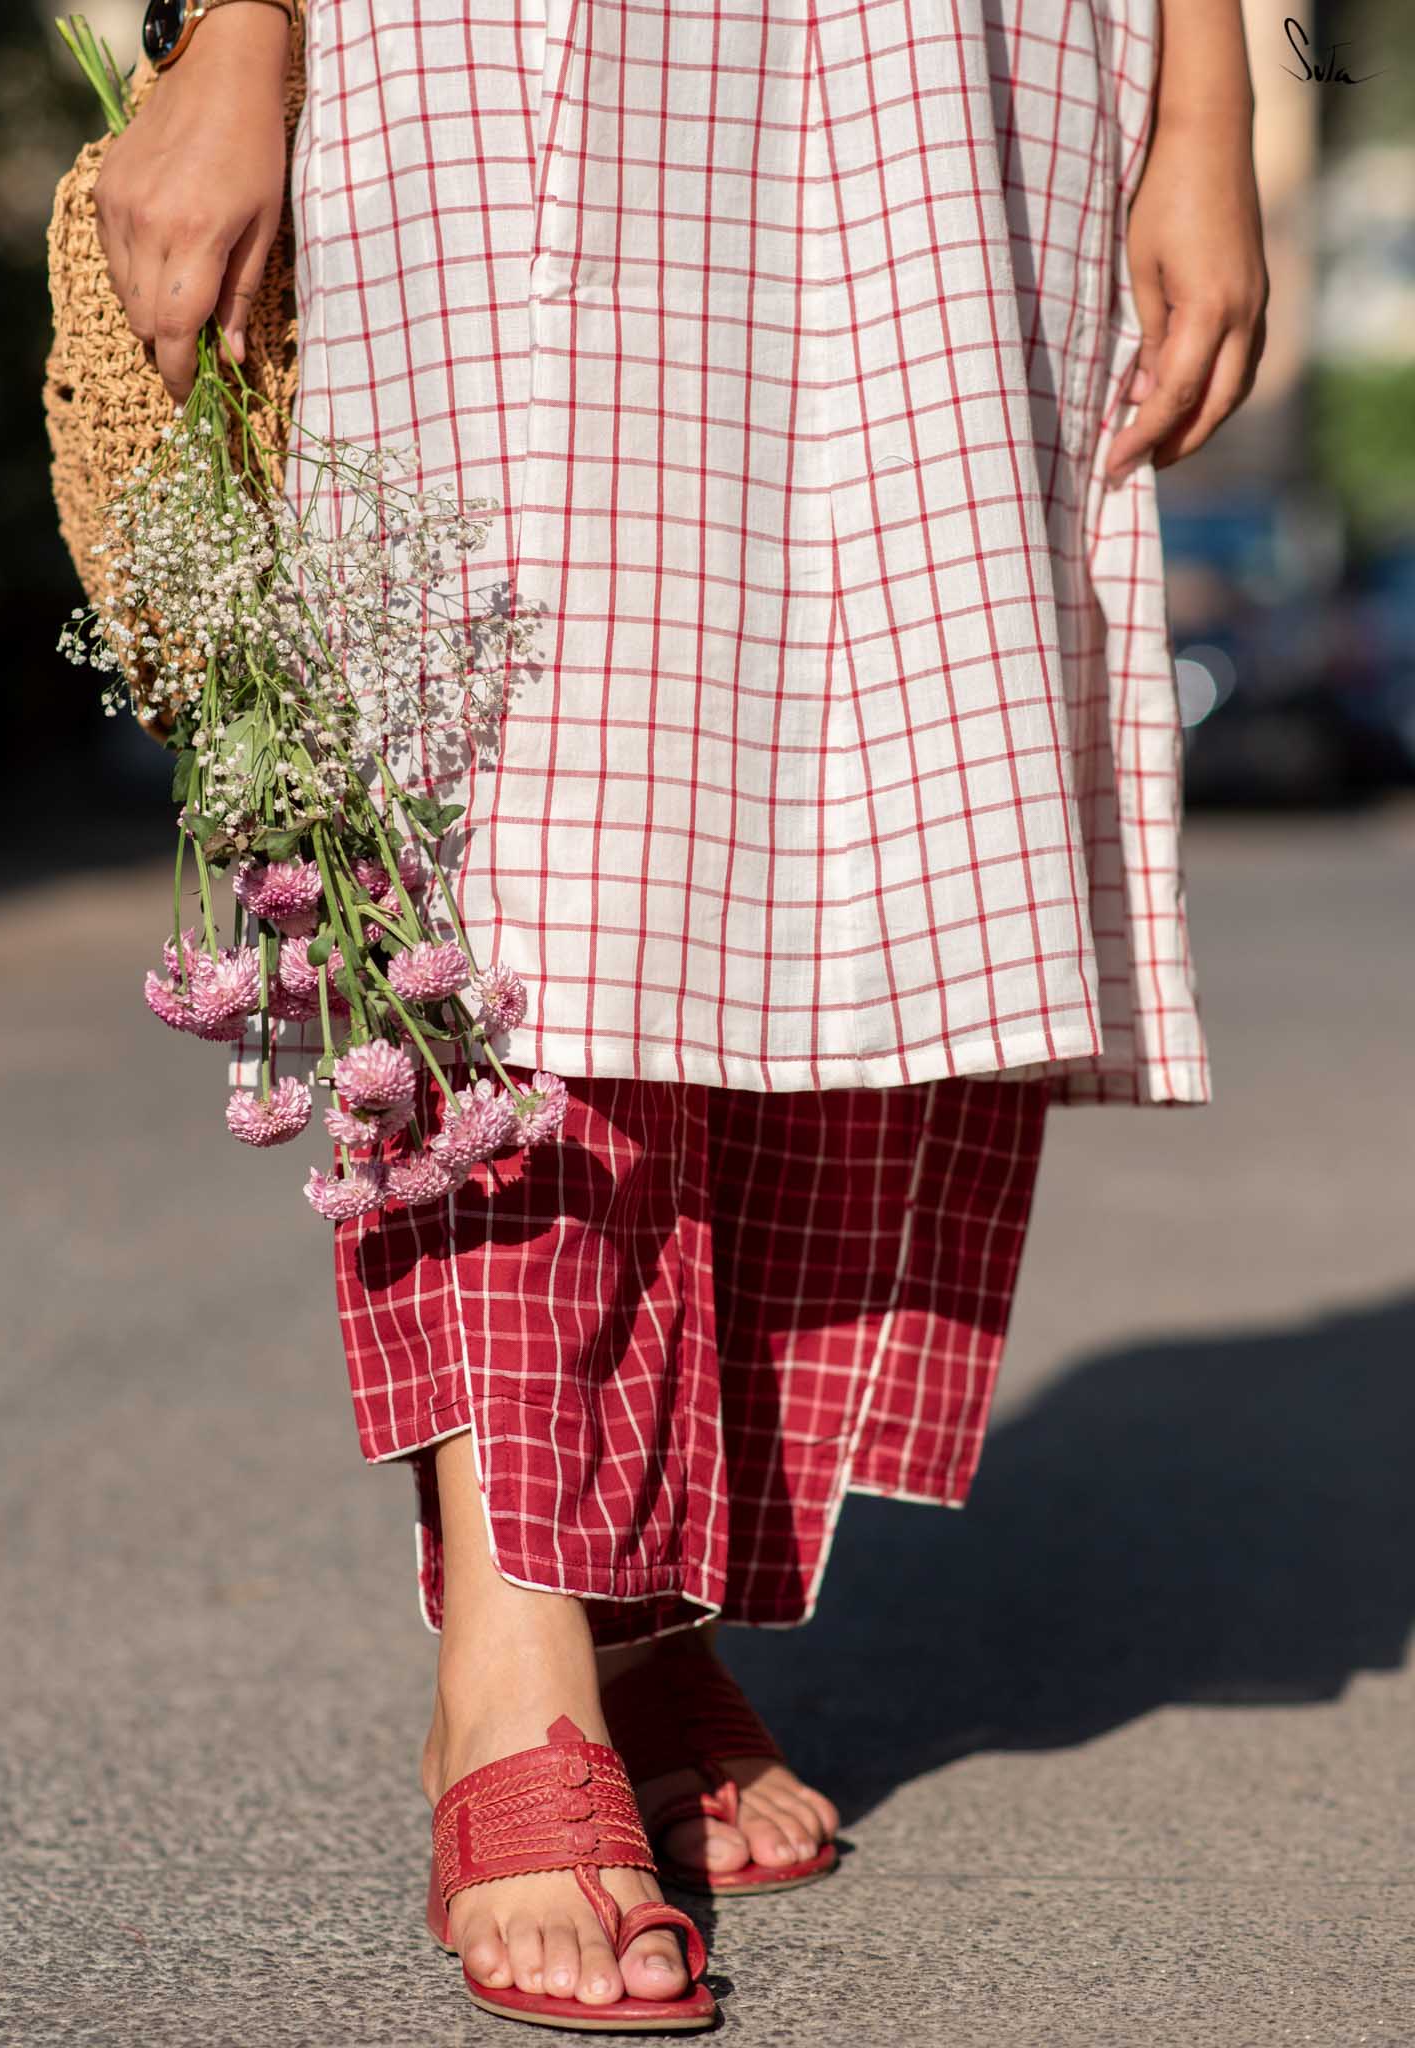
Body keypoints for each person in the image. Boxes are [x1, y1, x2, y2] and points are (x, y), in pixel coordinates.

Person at [94, 0, 1266, 2029]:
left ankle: (636, 1616)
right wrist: (236, 30)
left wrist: (1210, 101)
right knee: (519, 830)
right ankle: (518, 1665)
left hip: (965, 62)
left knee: (850, 825)